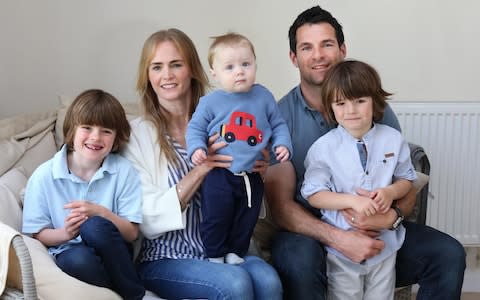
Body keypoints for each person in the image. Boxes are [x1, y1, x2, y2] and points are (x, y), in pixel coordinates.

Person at [263, 5, 466, 300]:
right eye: (307, 47)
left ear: (342, 49)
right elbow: (281, 208)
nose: (318, 55)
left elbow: (405, 182)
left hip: (377, 227)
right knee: (297, 259)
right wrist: (340, 238)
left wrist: (390, 219)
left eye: (327, 44)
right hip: (308, 233)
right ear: (294, 58)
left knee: (448, 254)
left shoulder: (376, 112)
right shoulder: (281, 118)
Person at [122, 28, 282, 299]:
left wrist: (255, 169)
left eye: (176, 64)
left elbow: (246, 200)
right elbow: (145, 218)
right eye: (157, 67)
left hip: (222, 250)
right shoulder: (136, 135)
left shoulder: (222, 117)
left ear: (193, 70)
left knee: (268, 280)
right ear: (147, 76)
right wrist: (201, 168)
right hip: (165, 258)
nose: (167, 75)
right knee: (234, 283)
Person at [301, 60, 417, 299]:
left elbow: (407, 180)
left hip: (385, 245)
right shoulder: (323, 148)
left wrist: (390, 193)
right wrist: (352, 202)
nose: (351, 111)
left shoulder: (393, 139)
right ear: (330, 107)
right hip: (342, 249)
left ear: (374, 101)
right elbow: (313, 194)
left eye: (360, 101)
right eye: (341, 103)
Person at [22, 89, 146, 300]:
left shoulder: (124, 171)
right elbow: (37, 233)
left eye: (106, 131)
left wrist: (101, 213)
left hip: (114, 252)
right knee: (76, 260)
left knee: (94, 226)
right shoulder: (44, 175)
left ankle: (134, 294)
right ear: (72, 130)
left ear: (116, 138)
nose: (96, 137)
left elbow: (132, 233)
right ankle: (115, 293)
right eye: (87, 128)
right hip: (71, 253)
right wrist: (65, 234)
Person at [186, 32, 292, 264]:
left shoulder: (263, 96)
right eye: (230, 67)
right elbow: (195, 128)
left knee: (248, 215)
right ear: (214, 74)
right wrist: (196, 148)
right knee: (216, 215)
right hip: (220, 174)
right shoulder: (210, 102)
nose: (240, 71)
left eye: (246, 64)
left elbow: (278, 124)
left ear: (255, 64)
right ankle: (214, 253)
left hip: (251, 174)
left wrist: (283, 144)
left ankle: (236, 251)